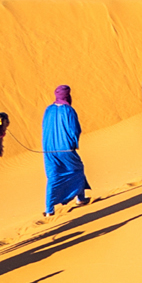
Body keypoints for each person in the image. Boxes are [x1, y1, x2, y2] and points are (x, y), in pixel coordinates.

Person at [42, 84, 88, 214]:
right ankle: (80, 197)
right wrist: (73, 143)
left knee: (53, 176)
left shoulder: (48, 109)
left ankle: (49, 209)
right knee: (78, 169)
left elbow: (44, 128)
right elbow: (74, 129)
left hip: (49, 150)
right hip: (65, 148)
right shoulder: (69, 110)